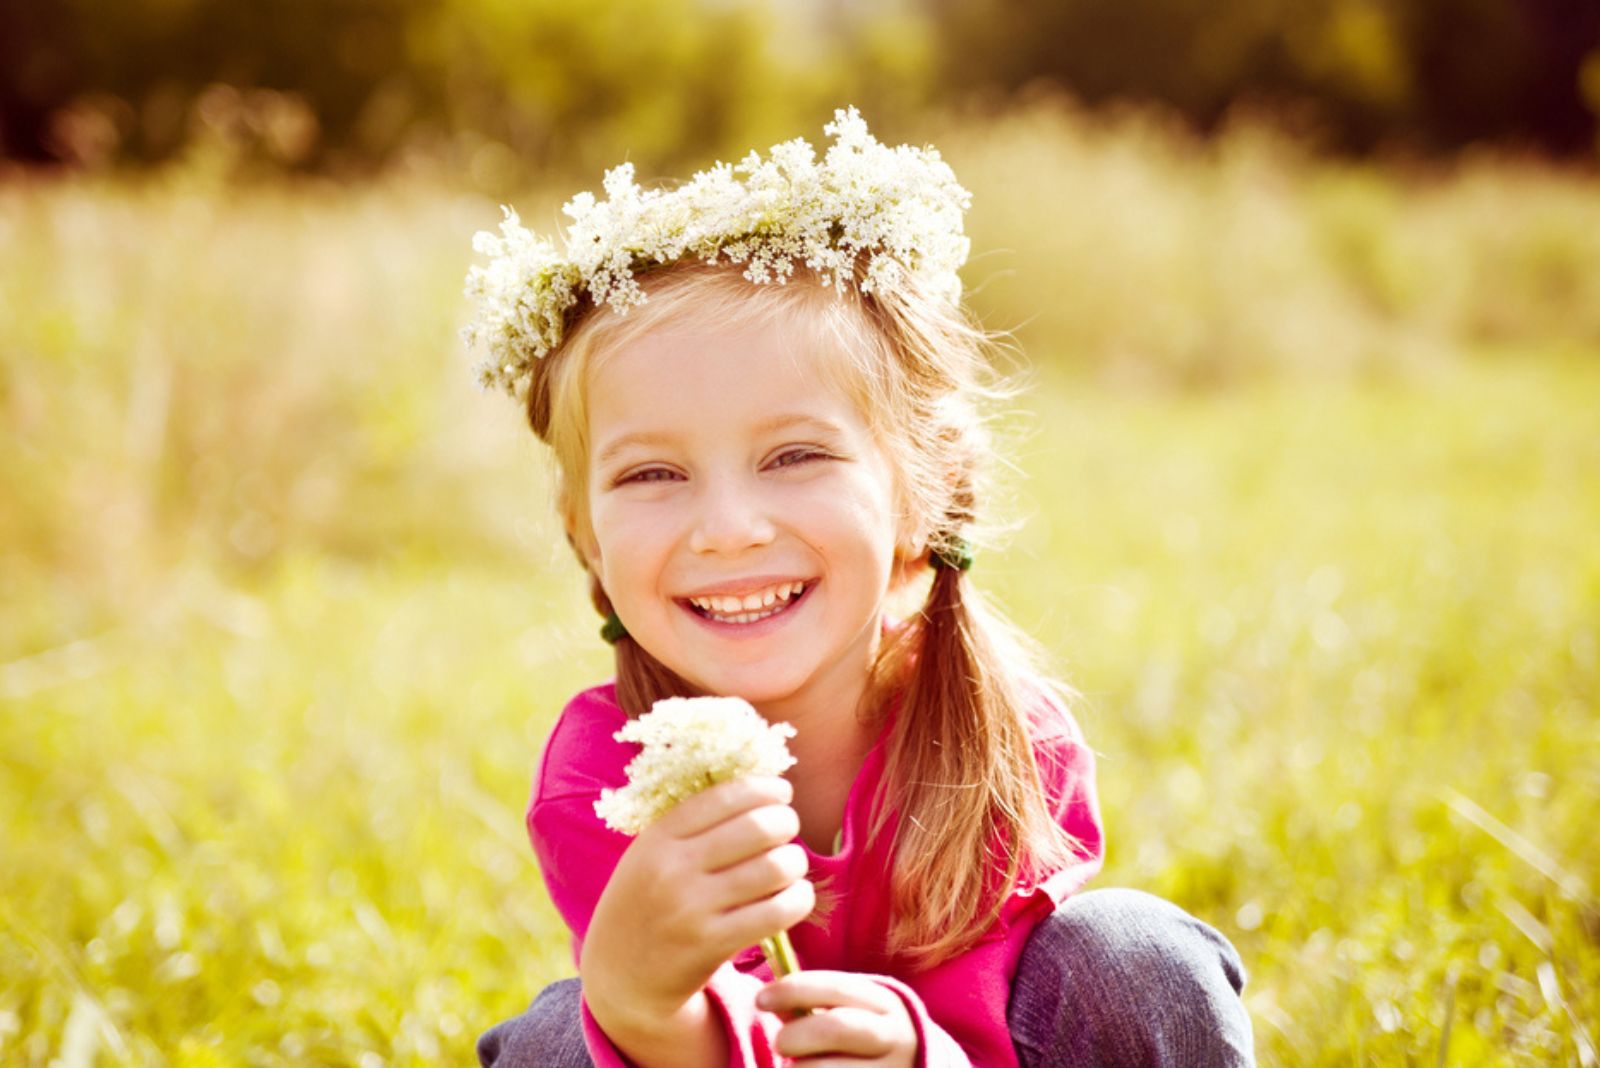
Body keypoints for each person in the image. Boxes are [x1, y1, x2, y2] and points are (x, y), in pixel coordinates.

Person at [464, 108, 1254, 1067]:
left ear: (926, 496)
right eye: (652, 476)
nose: (728, 527)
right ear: (584, 536)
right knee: (560, 1035)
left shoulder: (1004, 743)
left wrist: (926, 1058)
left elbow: (1003, 1030)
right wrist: (637, 1001)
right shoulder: (604, 781)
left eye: (794, 455)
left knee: (1131, 957)